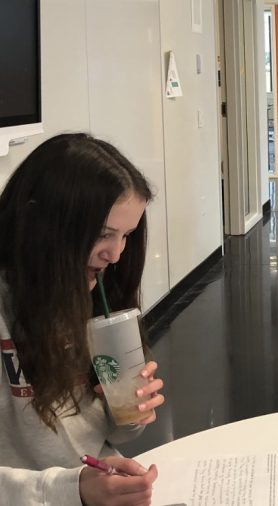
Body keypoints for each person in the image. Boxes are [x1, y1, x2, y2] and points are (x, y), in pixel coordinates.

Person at [0, 133, 166, 506]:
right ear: (43, 224)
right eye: (104, 235)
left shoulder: (92, 290)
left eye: (127, 235)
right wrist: (70, 490)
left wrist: (131, 409)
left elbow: (113, 435)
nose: (117, 254)